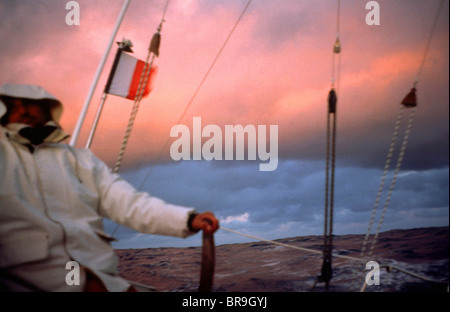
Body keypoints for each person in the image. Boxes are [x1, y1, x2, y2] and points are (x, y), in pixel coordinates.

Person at [0, 84, 219, 292]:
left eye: (31, 104)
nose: (24, 112)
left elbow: (129, 204)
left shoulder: (80, 160)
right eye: (15, 105)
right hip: (29, 277)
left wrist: (187, 219)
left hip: (93, 270)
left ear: (47, 110)